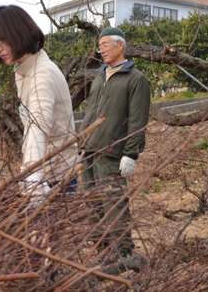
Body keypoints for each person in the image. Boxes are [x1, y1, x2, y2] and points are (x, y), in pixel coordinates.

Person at [0, 4, 78, 205]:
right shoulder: (24, 70)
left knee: (53, 234)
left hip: (55, 177)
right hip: (48, 172)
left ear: (19, 34)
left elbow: (38, 124)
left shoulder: (41, 74)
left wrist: (33, 174)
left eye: (2, 40)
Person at [80, 27, 151, 271]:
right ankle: (105, 255)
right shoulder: (99, 76)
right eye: (100, 45)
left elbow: (137, 119)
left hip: (112, 154)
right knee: (93, 206)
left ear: (121, 45)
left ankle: (125, 254)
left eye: (106, 44)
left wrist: (131, 153)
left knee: (114, 206)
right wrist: (81, 141)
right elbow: (90, 112)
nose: (102, 49)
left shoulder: (136, 79)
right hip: (89, 151)